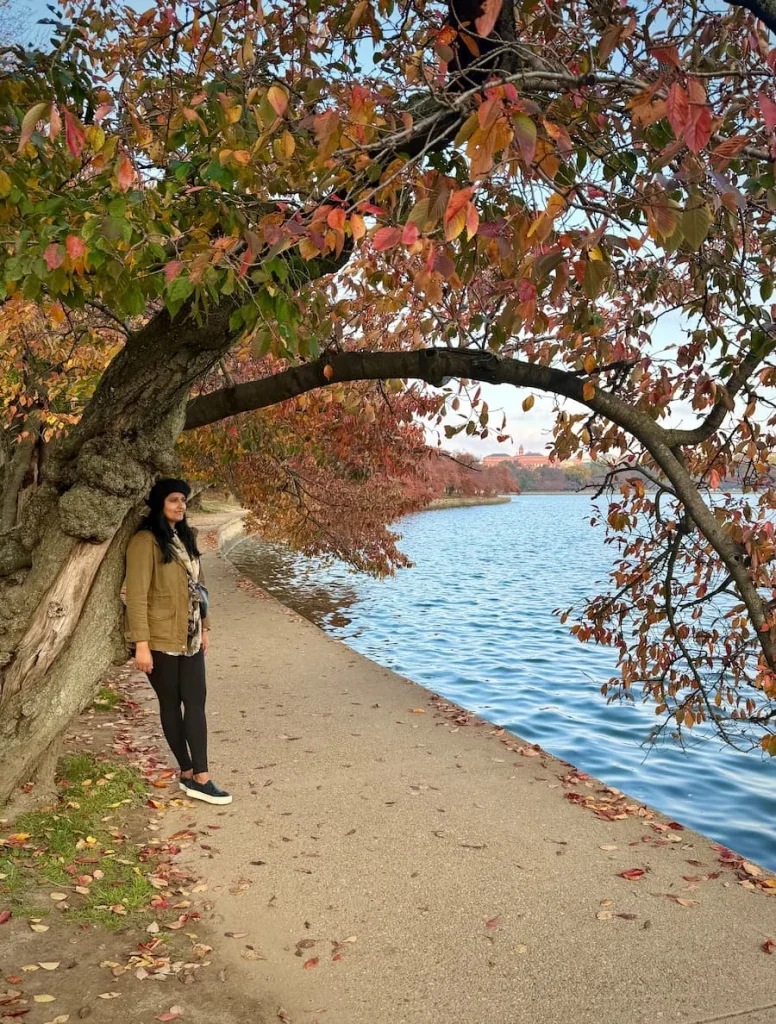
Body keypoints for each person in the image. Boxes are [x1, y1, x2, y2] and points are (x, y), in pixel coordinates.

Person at [124, 477, 232, 805]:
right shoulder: (145, 542)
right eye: (174, 500)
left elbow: (201, 586)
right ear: (160, 503)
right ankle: (190, 772)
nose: (181, 505)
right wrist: (141, 643)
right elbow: (136, 595)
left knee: (196, 700)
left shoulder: (184, 537)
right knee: (171, 704)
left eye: (183, 500)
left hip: (191, 636)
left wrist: (207, 627)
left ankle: (200, 775)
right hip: (159, 638)